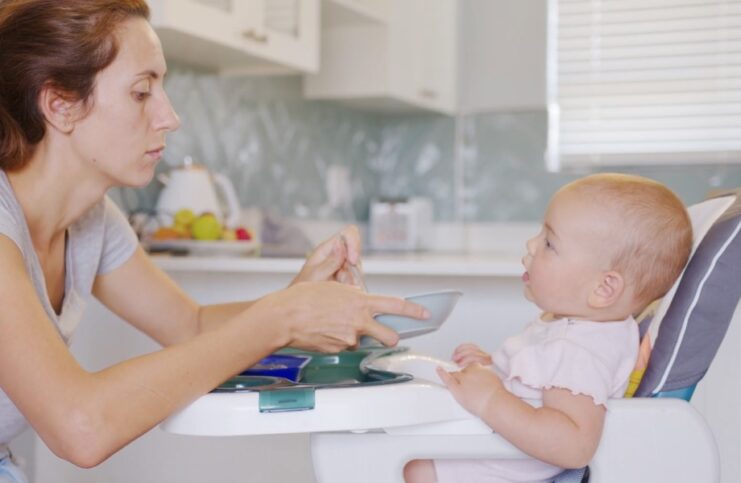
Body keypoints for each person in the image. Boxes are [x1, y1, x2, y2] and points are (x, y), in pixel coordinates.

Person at [0, 1, 429, 480]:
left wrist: (298, 299)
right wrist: (282, 318)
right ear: (59, 105)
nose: (170, 116)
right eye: (142, 92)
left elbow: (192, 324)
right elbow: (80, 426)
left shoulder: (90, 220)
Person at [404, 173, 693, 483]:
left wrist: (490, 399)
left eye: (549, 243)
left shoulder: (578, 350)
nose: (531, 244)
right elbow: (539, 388)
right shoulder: (576, 328)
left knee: (403, 466)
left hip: (497, 469)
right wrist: (494, 369)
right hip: (492, 452)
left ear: (604, 288)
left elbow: (573, 445)